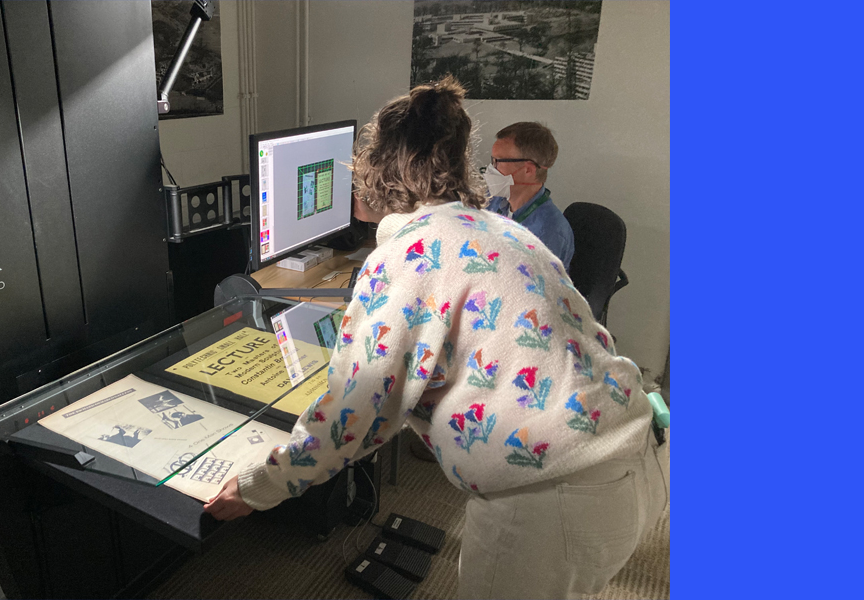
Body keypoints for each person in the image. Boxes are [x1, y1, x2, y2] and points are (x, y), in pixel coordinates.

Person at [203, 76, 666, 599]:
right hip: (636, 454)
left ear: (376, 177)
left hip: (556, 491)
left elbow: (355, 414)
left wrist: (257, 487)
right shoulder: (505, 230)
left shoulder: (409, 256)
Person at [483, 122, 576, 267]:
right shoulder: (495, 201)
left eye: (498, 162)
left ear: (528, 170)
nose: (491, 169)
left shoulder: (548, 233)